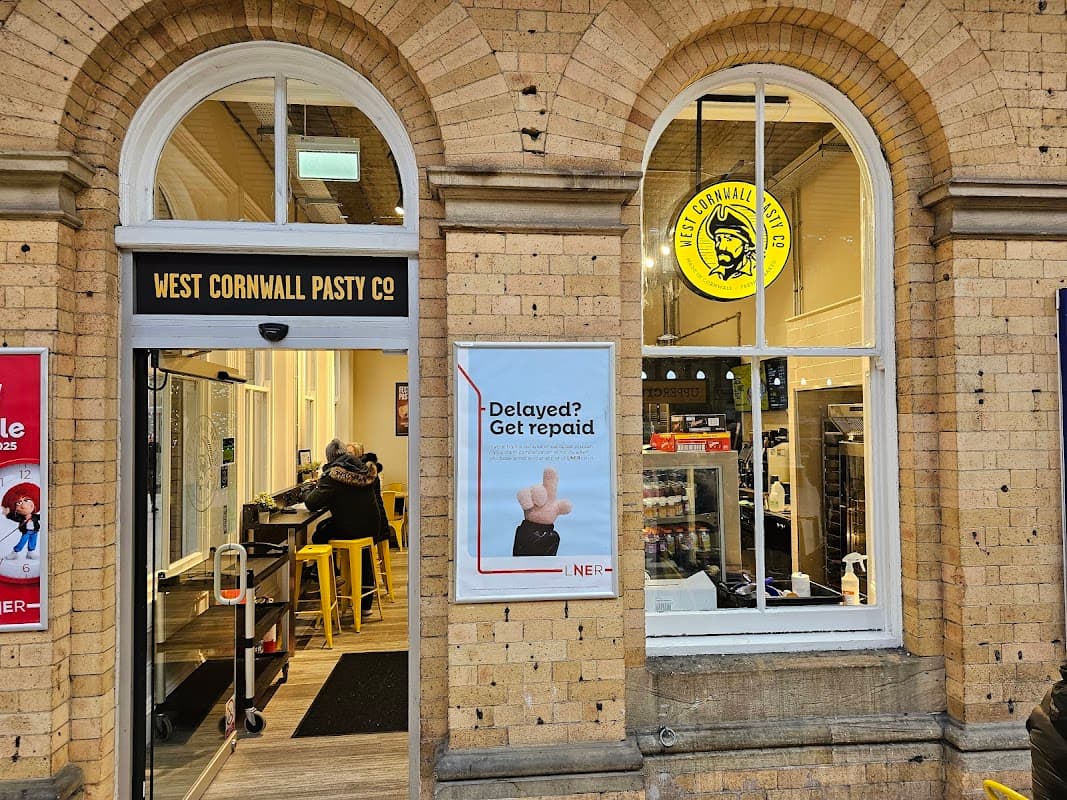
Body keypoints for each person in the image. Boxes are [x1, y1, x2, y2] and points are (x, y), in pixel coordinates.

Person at [305, 438, 386, 616]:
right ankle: (366, 605)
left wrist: (311, 489)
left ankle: (330, 576)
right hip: (373, 526)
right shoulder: (364, 470)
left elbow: (312, 503)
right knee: (363, 557)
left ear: (329, 458)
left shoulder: (334, 476)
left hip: (351, 528)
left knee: (320, 533)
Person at [3, 483, 42, 561]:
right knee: (22, 542)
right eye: (19, 503)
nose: (24, 505)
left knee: (33, 542)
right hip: (26, 531)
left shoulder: (35, 516)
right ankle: (15, 552)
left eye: (27, 500)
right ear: (16, 509)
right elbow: (13, 517)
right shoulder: (20, 518)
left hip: (34, 531)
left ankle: (30, 553)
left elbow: (41, 517)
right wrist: (8, 513)